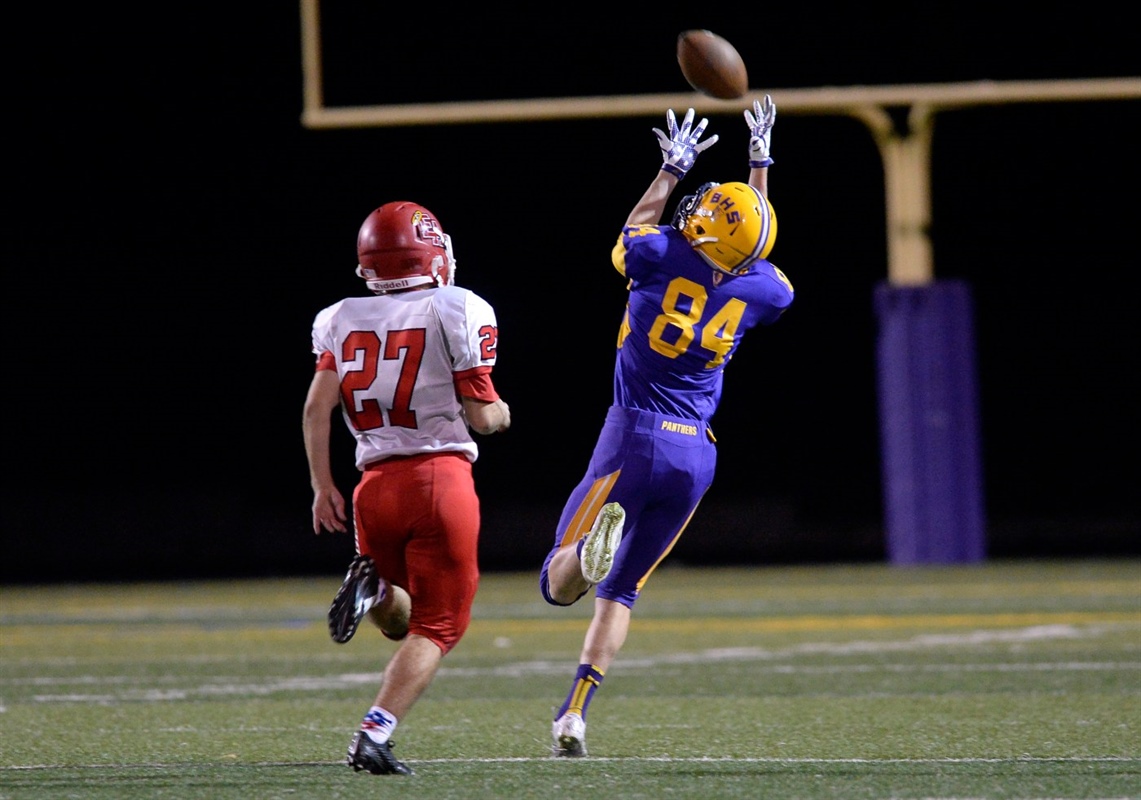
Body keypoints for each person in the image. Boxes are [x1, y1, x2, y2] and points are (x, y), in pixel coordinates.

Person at [539, 96, 794, 757]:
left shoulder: (657, 257)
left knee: (557, 582)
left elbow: (633, 230)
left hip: (632, 435)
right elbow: (755, 244)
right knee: (623, 590)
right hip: (695, 458)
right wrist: (758, 163)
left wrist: (669, 170)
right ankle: (574, 715)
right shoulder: (763, 290)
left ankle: (584, 554)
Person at [302, 200, 511, 776]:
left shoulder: (339, 316)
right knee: (440, 624)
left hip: (372, 486)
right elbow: (481, 416)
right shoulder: (457, 306)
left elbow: (317, 409)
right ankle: (375, 734)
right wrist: (504, 414)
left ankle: (373, 586)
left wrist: (323, 486)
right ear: (431, 253)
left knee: (400, 618)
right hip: (438, 480)